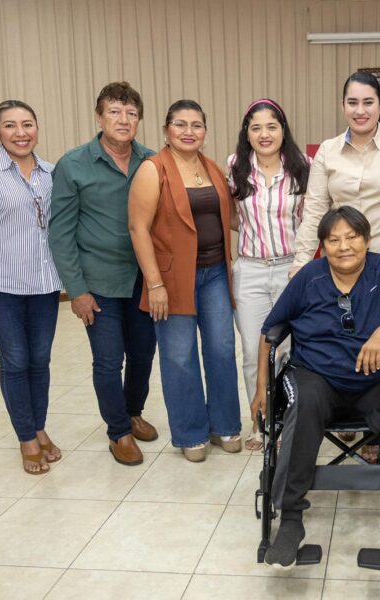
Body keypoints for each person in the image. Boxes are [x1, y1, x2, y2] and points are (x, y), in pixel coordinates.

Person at [253, 206, 380, 568]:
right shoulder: (309, 278)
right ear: (323, 246)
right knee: (304, 402)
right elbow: (270, 332)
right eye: (333, 240)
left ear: (367, 240)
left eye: (352, 237)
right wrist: (260, 389)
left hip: (378, 379)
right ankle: (290, 519)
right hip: (318, 376)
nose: (343, 246)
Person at [49, 81, 158, 466]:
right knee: (109, 360)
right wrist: (76, 291)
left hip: (143, 280)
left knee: (143, 355)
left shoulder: (152, 161)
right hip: (98, 283)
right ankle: (118, 431)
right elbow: (60, 234)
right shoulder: (73, 165)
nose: (123, 120)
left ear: (139, 119)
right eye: (114, 112)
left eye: (131, 113)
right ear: (99, 117)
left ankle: (133, 411)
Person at [129, 99, 241, 462]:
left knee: (222, 349)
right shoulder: (153, 169)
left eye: (196, 125)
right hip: (172, 278)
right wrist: (154, 284)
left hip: (215, 273)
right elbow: (138, 228)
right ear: (166, 130)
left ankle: (224, 425)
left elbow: (231, 217)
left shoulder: (212, 168)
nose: (188, 131)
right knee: (179, 356)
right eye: (180, 124)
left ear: (205, 132)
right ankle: (191, 432)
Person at [0, 100, 62, 475]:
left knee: (40, 361)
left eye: (27, 124)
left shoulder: (51, 173)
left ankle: (39, 427)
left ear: (37, 127)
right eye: (10, 125)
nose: (20, 133)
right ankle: (26, 438)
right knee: (16, 361)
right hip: (0, 287)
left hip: (44, 285)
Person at [228, 98, 310, 451]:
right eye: (256, 127)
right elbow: (231, 216)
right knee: (253, 350)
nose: (264, 134)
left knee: (289, 350)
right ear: (247, 133)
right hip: (249, 271)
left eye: (271, 126)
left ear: (283, 130)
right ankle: (260, 423)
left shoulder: (302, 166)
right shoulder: (234, 166)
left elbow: (309, 218)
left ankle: (286, 421)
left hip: (291, 270)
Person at [290, 71, 380, 279]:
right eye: (352, 103)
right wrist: (301, 263)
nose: (360, 111)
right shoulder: (327, 150)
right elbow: (314, 211)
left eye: (368, 102)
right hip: (338, 265)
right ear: (342, 105)